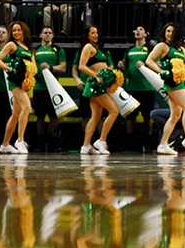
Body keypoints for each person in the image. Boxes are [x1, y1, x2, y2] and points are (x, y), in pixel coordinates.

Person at [145, 22, 185, 156]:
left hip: (179, 81)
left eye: (172, 31)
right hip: (171, 83)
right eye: (167, 31)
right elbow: (149, 60)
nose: (169, 33)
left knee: (175, 115)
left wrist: (183, 72)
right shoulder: (162, 46)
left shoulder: (181, 49)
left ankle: (163, 144)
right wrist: (161, 71)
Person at [76, 25, 121, 155]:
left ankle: (85, 146)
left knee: (95, 116)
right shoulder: (88, 47)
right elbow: (81, 66)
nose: (96, 35)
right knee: (114, 111)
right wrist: (96, 75)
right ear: (87, 35)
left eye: (97, 32)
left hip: (100, 84)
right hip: (95, 84)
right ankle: (101, 140)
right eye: (92, 33)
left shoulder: (97, 49)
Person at [0, 21, 36, 154]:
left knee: (16, 114)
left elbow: (34, 67)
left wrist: (29, 77)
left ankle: (5, 144)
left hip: (25, 82)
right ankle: (20, 140)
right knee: (27, 107)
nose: (16, 32)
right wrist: (9, 69)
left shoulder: (28, 48)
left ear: (24, 31)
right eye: (14, 31)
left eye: (19, 30)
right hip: (15, 81)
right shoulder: (12, 45)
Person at [32, 26, 67, 152]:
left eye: (50, 33)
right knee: (40, 117)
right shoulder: (35, 50)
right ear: (40, 35)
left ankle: (52, 142)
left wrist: (50, 67)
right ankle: (40, 144)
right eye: (45, 32)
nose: (47, 34)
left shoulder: (58, 50)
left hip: (54, 89)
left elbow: (63, 68)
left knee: (54, 117)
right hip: (39, 88)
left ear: (53, 36)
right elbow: (31, 67)